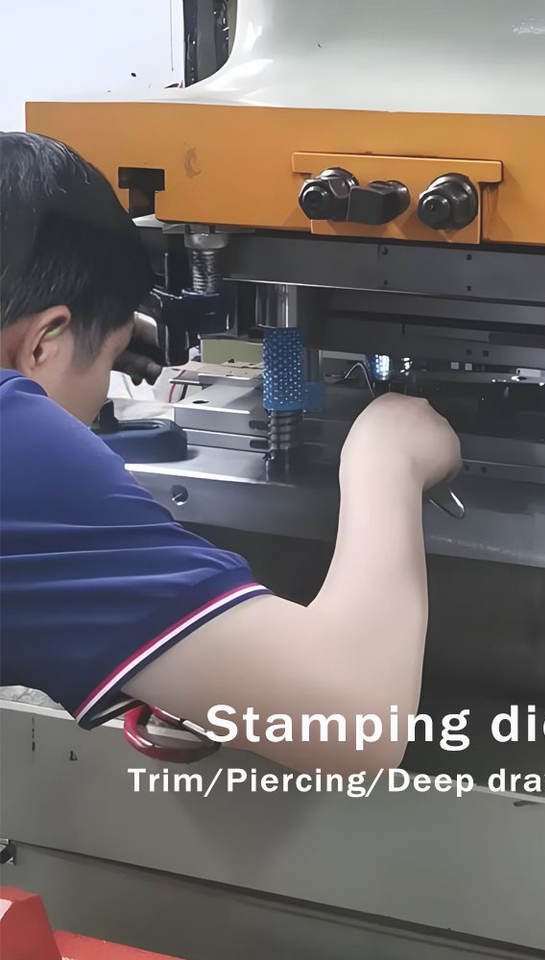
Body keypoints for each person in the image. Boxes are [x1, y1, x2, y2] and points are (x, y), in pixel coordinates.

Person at [0, 132, 461, 772]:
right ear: (44, 341)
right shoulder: (16, 443)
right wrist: (389, 455)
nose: (105, 390)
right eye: (109, 360)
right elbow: (353, 723)